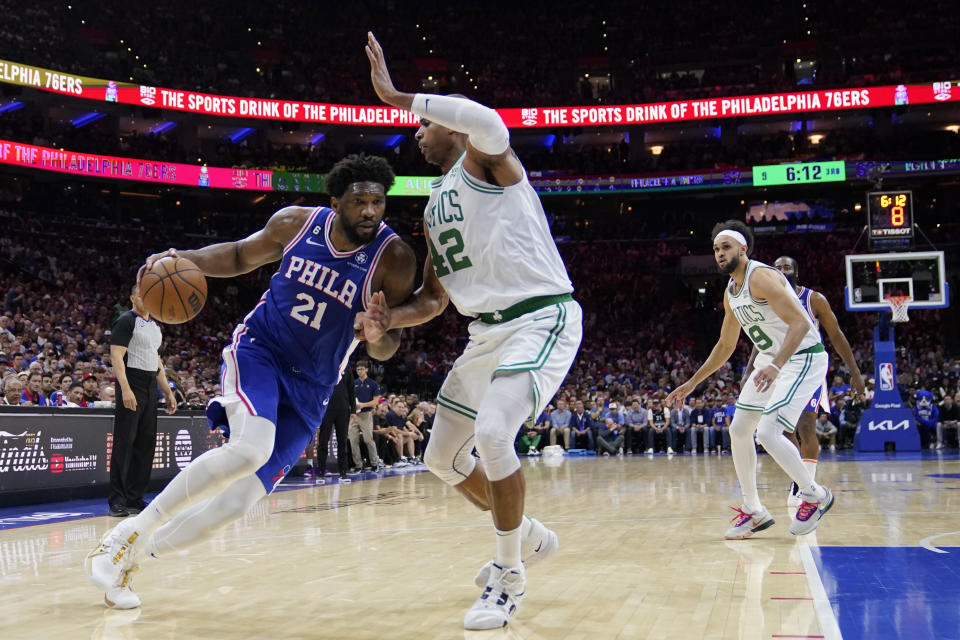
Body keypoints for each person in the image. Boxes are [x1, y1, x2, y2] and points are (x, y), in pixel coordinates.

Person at [85, 154, 417, 610]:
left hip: (315, 386)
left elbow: (387, 345)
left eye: (377, 202)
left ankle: (132, 557)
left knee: (238, 503)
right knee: (251, 447)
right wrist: (181, 258)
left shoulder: (393, 257)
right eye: (359, 201)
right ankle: (127, 530)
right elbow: (241, 254)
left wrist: (379, 333)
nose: (369, 211)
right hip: (261, 350)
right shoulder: (297, 223)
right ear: (336, 200)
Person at [363, 32, 583, 630]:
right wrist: (389, 318)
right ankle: (527, 533)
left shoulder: (488, 159)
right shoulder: (435, 205)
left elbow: (484, 116)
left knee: (492, 432)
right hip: (486, 334)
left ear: (450, 127)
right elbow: (435, 301)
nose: (417, 131)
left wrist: (397, 94)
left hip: (541, 315)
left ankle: (509, 574)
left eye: (425, 124)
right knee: (440, 456)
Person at [665, 220, 834, 540]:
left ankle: (815, 495)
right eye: (715, 248)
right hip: (773, 360)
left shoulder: (763, 276)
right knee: (740, 429)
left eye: (725, 246)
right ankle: (754, 510)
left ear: (743, 249)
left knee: (769, 431)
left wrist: (776, 364)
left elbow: (800, 324)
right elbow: (726, 346)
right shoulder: (731, 292)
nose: (719, 253)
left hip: (803, 356)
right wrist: (692, 383)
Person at [744, 255, 865, 506]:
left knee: (806, 426)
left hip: (807, 366)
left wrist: (854, 372)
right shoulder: (766, 299)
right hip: (778, 368)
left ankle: (807, 487)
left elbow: (836, 334)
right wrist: (748, 371)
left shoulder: (814, 299)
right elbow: (761, 341)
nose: (782, 270)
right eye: (777, 268)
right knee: (780, 430)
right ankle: (800, 480)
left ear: (796, 271)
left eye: (787, 267)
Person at [107, 284, 178, 517]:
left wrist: (167, 391)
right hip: (132, 380)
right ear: (132, 298)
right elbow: (116, 356)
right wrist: (125, 389)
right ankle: (117, 500)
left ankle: (134, 499)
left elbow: (156, 360)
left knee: (145, 444)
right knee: (124, 443)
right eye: (141, 294)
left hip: (149, 384)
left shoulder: (155, 326)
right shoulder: (126, 320)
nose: (145, 298)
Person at [315, 366, 355, 483]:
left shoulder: (347, 369)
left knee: (342, 442)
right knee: (323, 441)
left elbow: (351, 390)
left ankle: (343, 473)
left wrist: (353, 410)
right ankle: (320, 472)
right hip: (326, 409)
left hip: (343, 410)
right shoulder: (326, 366)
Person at [349, 361, 381, 471]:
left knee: (368, 439)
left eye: (362, 369)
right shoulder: (353, 383)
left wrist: (363, 405)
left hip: (366, 414)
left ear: (366, 369)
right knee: (353, 440)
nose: (359, 371)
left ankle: (374, 463)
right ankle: (358, 464)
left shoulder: (373, 384)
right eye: (358, 369)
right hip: (354, 415)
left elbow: (376, 401)